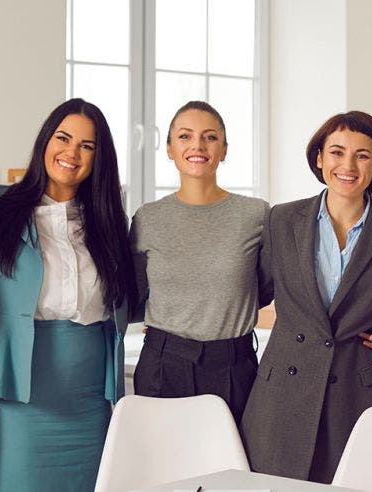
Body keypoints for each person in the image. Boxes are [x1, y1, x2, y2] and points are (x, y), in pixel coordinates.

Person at [0, 98, 137, 492]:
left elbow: (126, 301)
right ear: (45, 141)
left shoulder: (110, 222)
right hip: (19, 393)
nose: (72, 152)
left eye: (87, 145)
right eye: (63, 138)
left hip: (89, 399)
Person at [241, 111, 372, 483]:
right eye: (336, 152)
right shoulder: (281, 220)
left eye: (362, 155)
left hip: (357, 393)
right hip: (283, 393)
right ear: (319, 158)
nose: (348, 165)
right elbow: (254, 294)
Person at [130, 100, 269, 423]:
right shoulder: (147, 218)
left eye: (210, 137)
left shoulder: (256, 215)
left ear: (224, 149)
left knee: (233, 468)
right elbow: (134, 292)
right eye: (184, 136)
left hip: (234, 365)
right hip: (163, 364)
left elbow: (268, 285)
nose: (197, 145)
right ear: (168, 148)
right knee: (164, 468)